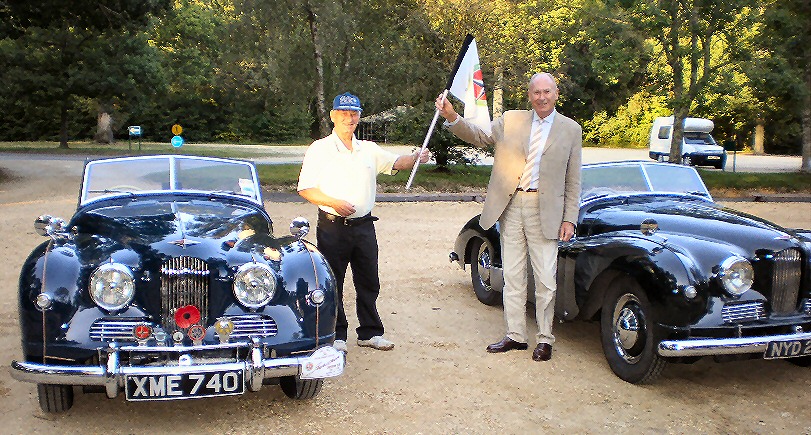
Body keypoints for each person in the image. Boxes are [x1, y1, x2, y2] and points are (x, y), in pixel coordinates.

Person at [435, 72, 581, 362]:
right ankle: (515, 335)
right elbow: (478, 136)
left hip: (547, 209)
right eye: (536, 92)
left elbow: (573, 179)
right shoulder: (511, 120)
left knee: (545, 279)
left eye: (547, 92)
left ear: (556, 94)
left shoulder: (571, 129)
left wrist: (570, 218)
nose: (541, 97)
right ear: (529, 95)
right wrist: (452, 116)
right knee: (513, 275)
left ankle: (545, 338)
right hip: (512, 205)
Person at [298, 92, 430, 353]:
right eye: (344, 114)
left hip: (364, 227)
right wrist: (333, 202)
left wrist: (415, 158)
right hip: (333, 226)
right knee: (332, 281)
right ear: (333, 116)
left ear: (359, 116)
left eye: (354, 114)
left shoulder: (368, 149)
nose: (349, 118)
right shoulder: (320, 149)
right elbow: (306, 188)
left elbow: (395, 163)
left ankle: (369, 332)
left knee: (369, 281)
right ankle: (336, 335)